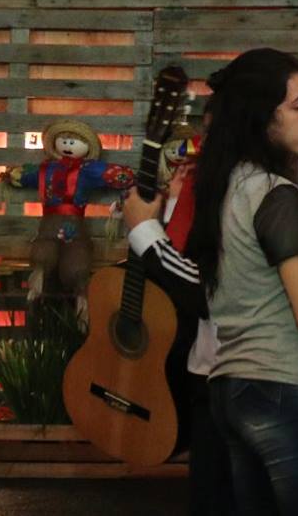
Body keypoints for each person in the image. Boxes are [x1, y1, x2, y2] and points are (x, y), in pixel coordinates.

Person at [184, 48, 298, 516]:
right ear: (261, 117)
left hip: (230, 384)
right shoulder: (276, 196)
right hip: (282, 382)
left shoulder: (226, 186)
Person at [120, 117, 230, 514]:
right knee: (211, 486)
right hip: (205, 363)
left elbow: (204, 291)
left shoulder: (259, 192)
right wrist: (168, 211)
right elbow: (180, 266)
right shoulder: (201, 184)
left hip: (242, 367)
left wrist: (147, 229)